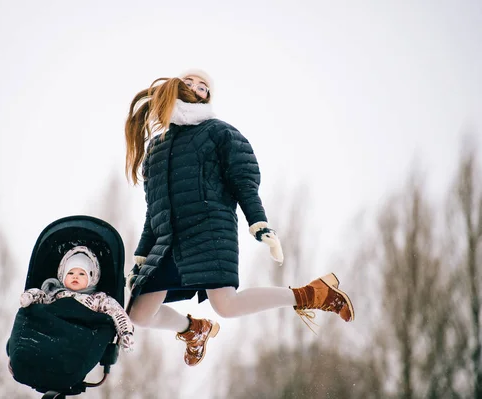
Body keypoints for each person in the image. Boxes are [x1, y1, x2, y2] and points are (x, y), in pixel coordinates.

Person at [124, 69, 355, 367]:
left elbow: (243, 182)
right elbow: (154, 210)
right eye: (189, 82)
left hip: (208, 232)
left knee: (226, 306)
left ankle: (312, 294)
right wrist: (142, 256)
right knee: (138, 314)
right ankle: (195, 329)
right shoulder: (156, 149)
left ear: (208, 97)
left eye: (203, 86)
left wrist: (259, 224)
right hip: (168, 241)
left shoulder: (218, 132)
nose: (196, 87)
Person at [19, 245, 135, 352]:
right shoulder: (55, 293)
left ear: (91, 277)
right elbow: (41, 297)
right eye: (70, 273)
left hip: (80, 337)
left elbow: (117, 312)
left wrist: (125, 333)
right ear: (62, 276)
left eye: (81, 274)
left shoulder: (98, 299)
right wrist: (30, 296)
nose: (75, 276)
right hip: (54, 333)